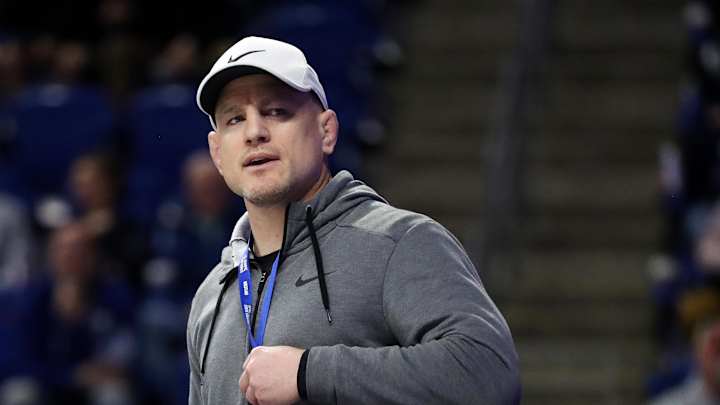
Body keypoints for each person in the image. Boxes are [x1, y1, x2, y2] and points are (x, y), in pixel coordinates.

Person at [186, 36, 520, 405]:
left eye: (277, 111)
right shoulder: (212, 294)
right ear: (218, 153)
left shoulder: (398, 242)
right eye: (235, 119)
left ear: (326, 131)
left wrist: (308, 372)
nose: (254, 132)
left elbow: (488, 373)